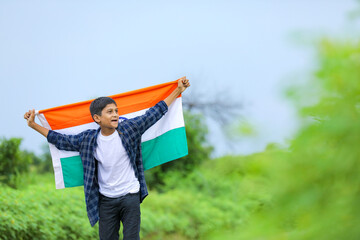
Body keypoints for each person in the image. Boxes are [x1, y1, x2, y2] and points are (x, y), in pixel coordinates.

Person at [24, 78, 190, 240]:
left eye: (116, 111)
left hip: (130, 195)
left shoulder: (130, 129)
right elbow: (61, 141)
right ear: (97, 118)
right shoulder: (88, 140)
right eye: (110, 112)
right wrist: (34, 125)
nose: (115, 115)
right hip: (106, 201)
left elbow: (154, 113)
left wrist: (177, 91)